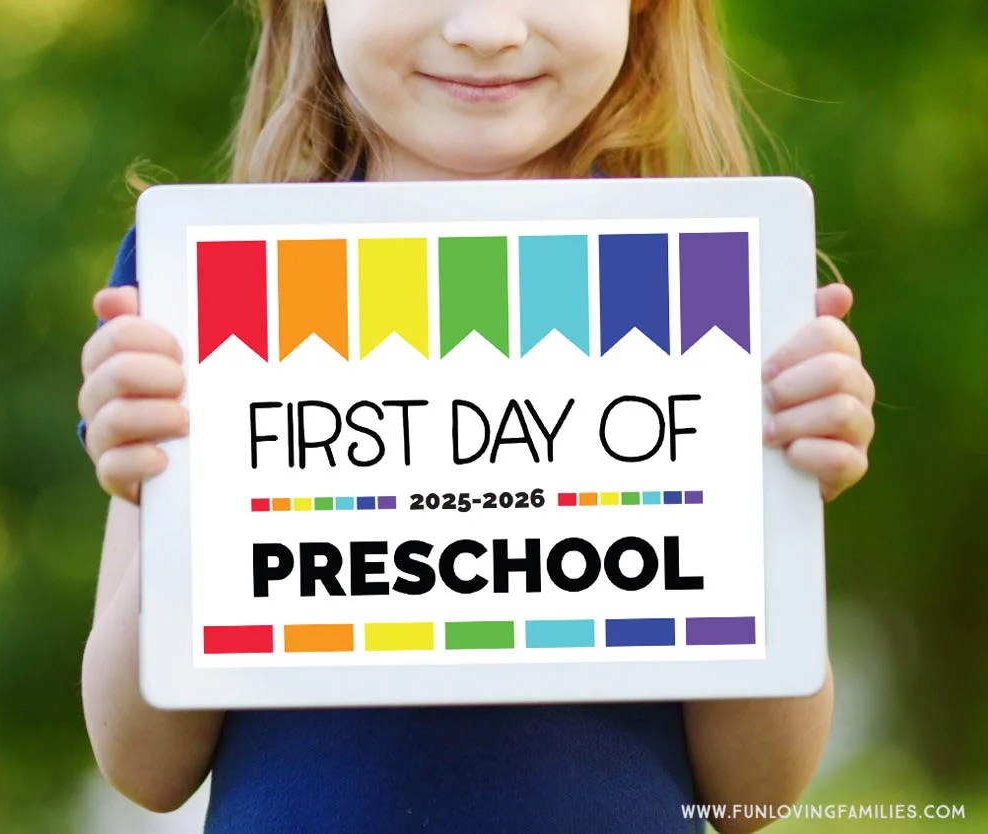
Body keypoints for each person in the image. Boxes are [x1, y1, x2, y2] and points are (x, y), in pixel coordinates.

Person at [77, 2, 876, 832]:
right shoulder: (202, 289)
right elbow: (145, 766)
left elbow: (752, 795)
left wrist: (773, 502)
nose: (486, 28)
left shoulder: (719, 288)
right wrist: (182, 492)